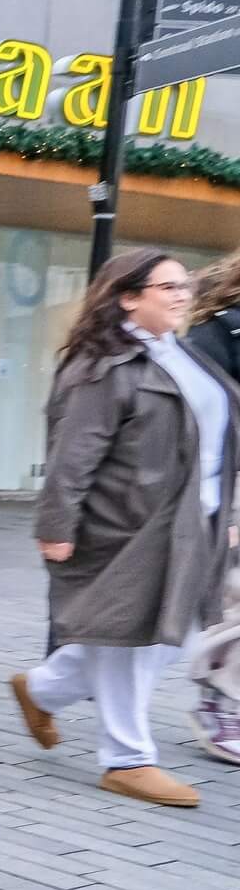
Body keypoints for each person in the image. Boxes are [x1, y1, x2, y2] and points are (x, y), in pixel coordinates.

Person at [11, 249, 240, 806]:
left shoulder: (182, 354)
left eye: (184, 284)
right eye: (167, 287)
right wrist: (57, 525)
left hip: (196, 520)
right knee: (128, 638)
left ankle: (42, 688)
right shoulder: (102, 366)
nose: (183, 293)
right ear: (127, 297)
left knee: (177, 630)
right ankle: (127, 759)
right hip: (128, 526)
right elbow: (73, 454)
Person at [183, 252, 240, 761]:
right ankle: (219, 703)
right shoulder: (218, 336)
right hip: (230, 485)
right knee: (235, 603)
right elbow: (200, 422)